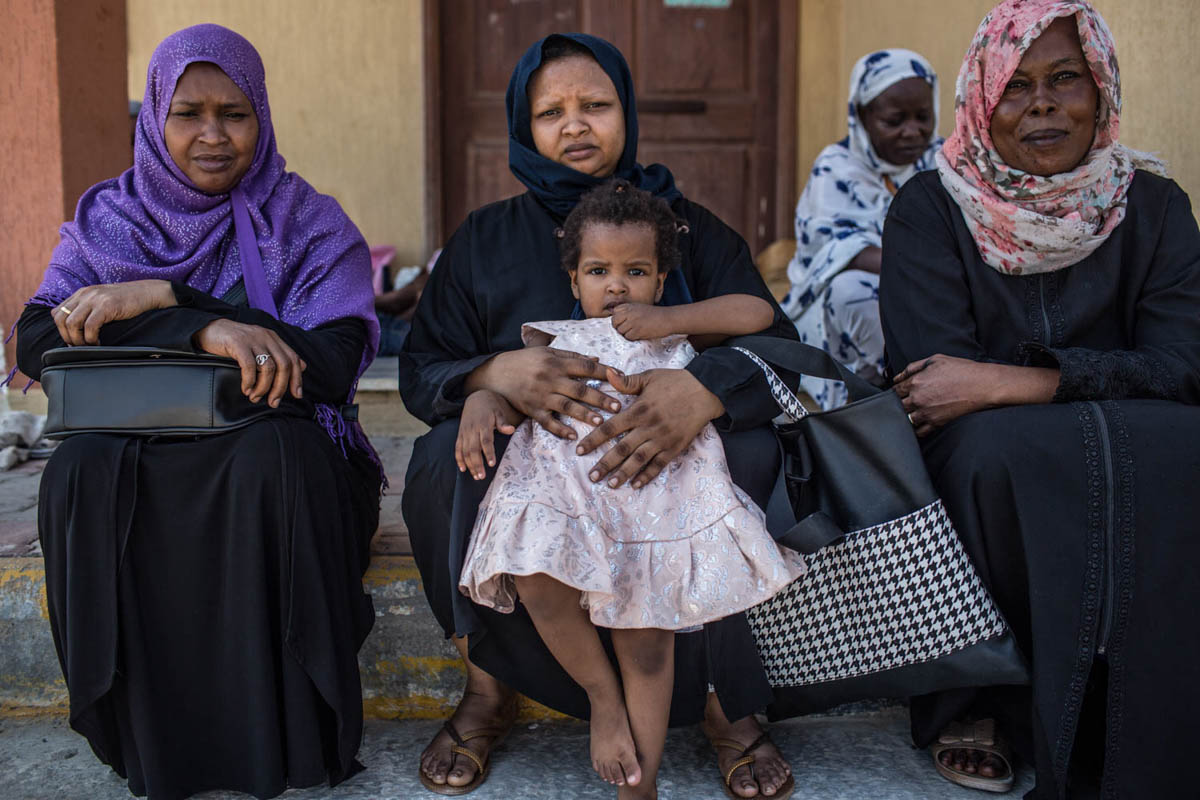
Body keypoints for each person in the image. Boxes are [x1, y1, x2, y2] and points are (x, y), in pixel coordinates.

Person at [399, 33, 800, 799]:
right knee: (442, 462)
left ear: (628, 110)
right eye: (551, 111)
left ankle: (726, 705)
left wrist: (702, 392)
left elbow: (772, 336)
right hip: (540, 454)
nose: (575, 125)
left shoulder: (687, 228)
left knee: (752, 460)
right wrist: (492, 375)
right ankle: (489, 688)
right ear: (524, 123)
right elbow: (422, 369)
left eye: (595, 105)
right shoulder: (484, 238)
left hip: (667, 452)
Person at [12, 25, 382, 799]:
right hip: (134, 440)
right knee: (79, 470)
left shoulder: (306, 222)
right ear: (153, 117)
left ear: (263, 118)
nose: (212, 136)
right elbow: (40, 338)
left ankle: (287, 739)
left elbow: (334, 365)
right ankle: (140, 735)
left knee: (274, 461)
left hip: (271, 437)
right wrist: (206, 327)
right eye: (188, 113)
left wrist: (171, 297)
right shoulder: (111, 220)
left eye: (234, 113)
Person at [879, 1, 1200, 796]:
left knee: (1179, 448)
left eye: (1066, 79)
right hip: (985, 448)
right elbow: (929, 383)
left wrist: (1012, 382)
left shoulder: (1154, 208)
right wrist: (1018, 394)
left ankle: (1142, 707)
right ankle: (985, 696)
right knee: (1000, 454)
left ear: (1103, 91)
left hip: (1087, 422)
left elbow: (1187, 363)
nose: (1044, 104)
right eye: (1015, 86)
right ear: (982, 100)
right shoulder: (930, 208)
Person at [455, 179, 806, 798]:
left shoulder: (670, 333)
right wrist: (482, 394)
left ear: (661, 281)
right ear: (573, 283)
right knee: (536, 579)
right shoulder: (552, 340)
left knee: (647, 641)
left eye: (636, 270)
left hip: (656, 505)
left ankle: (638, 787)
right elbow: (507, 385)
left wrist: (671, 320)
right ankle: (602, 701)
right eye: (598, 270)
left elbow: (757, 315)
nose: (616, 285)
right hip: (566, 499)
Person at [782, 49, 940, 410]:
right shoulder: (835, 169)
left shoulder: (944, 163)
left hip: (932, 287)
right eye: (895, 120)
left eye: (923, 117)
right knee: (851, 291)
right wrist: (927, 267)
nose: (912, 132)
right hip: (846, 303)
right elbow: (841, 253)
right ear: (862, 116)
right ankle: (884, 390)